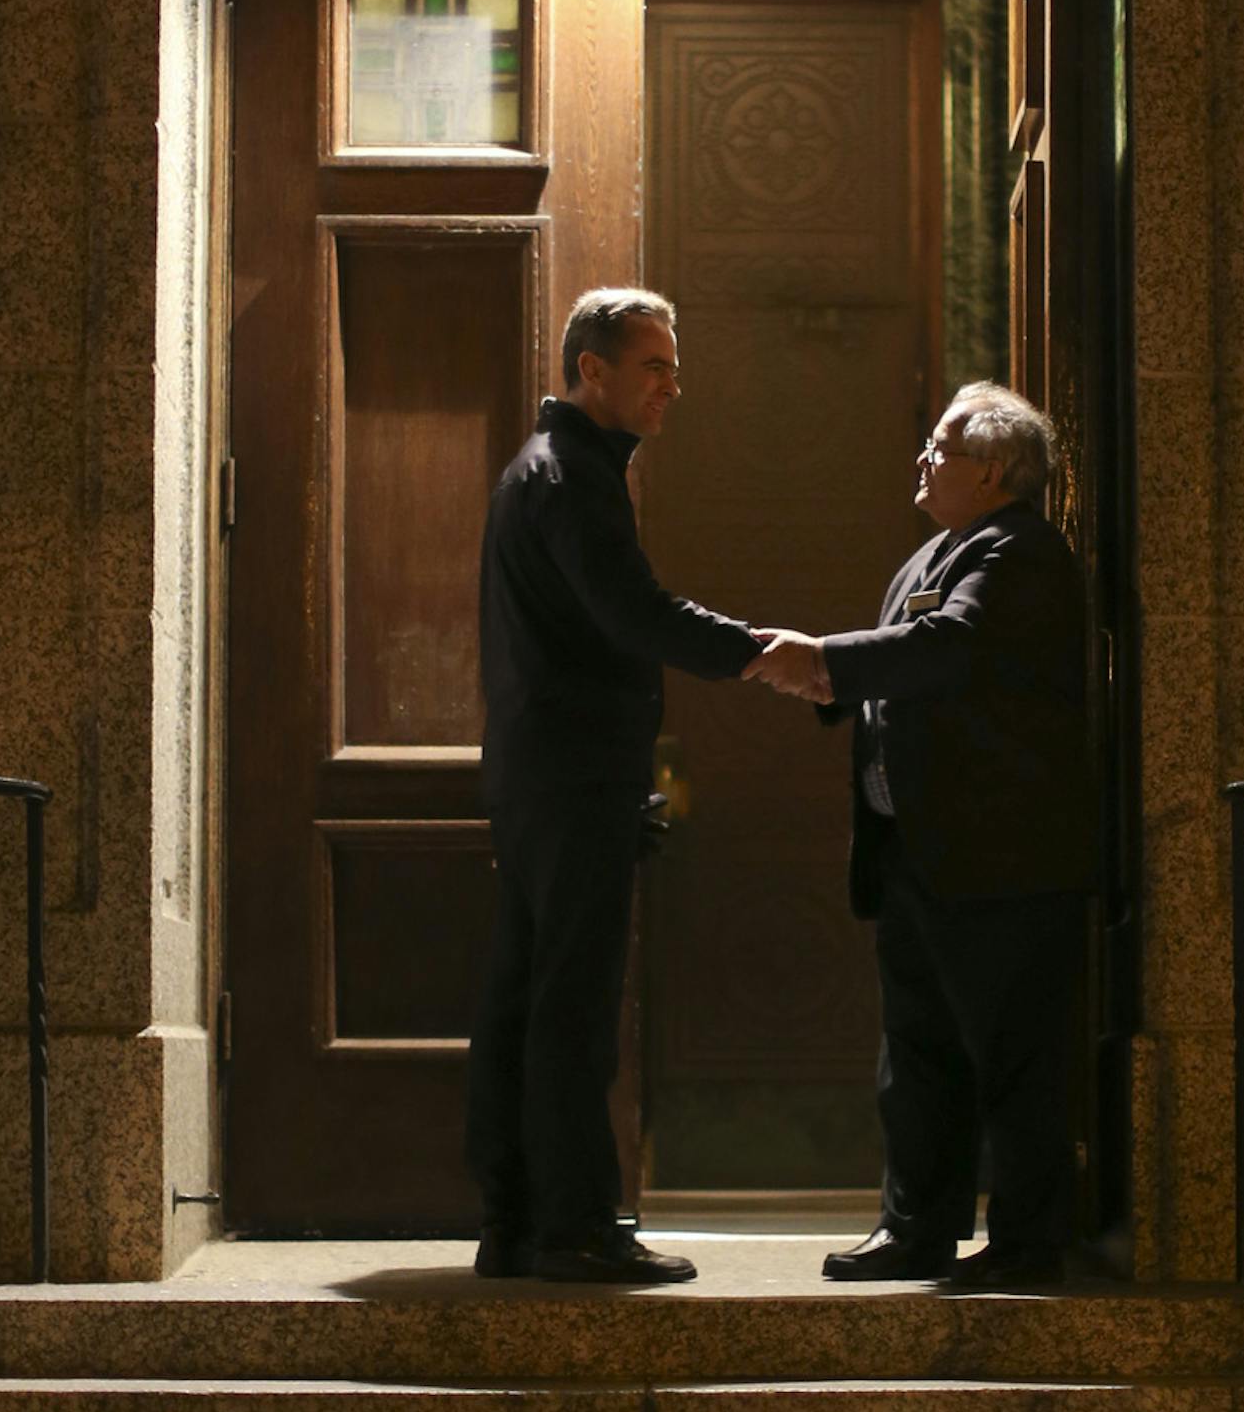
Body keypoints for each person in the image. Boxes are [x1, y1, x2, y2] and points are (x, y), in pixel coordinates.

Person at [748, 383, 1099, 1288]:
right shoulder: (936, 552)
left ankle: (1028, 1243)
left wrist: (825, 660)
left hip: (999, 859)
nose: (922, 461)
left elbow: (951, 647)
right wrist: (833, 688)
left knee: (1015, 1057)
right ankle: (916, 1229)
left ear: (990, 469)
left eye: (939, 449)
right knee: (917, 1055)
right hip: (917, 854)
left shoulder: (1021, 553)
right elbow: (907, 670)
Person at [469, 286, 760, 1286]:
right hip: (574, 775)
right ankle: (575, 1227)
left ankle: (515, 1221)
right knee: (571, 1009)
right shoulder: (573, 479)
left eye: (675, 366)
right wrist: (759, 652)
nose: (673, 385)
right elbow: (632, 612)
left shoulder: (540, 472)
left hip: (538, 774)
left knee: (527, 996)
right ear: (592, 370)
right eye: (655, 366)